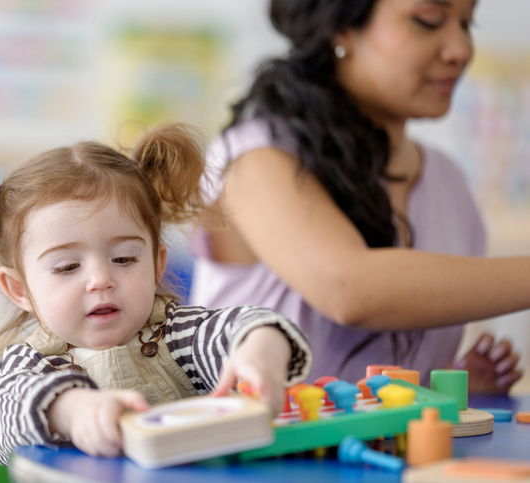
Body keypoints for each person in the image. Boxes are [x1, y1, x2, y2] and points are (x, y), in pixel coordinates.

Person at [0, 123, 312, 465]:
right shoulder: (33, 363)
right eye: (68, 267)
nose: (99, 280)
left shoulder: (174, 333)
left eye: (125, 259)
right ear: (19, 289)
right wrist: (72, 410)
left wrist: (260, 349)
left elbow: (234, 326)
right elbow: (5, 412)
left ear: (157, 264)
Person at [190, 0, 526, 393]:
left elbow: (382, 389)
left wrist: (449, 385)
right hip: (254, 453)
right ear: (341, 28)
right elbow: (350, 290)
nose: (460, 50)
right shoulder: (254, 158)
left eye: (467, 25)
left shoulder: (448, 183)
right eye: (427, 21)